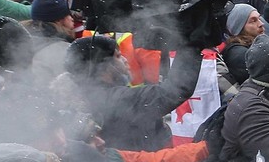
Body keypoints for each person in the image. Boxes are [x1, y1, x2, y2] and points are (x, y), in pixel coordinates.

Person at [63, 35, 199, 152]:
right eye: (118, 56)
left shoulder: (74, 97)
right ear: (104, 66)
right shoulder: (116, 99)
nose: (125, 60)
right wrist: (192, 45)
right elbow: (174, 91)